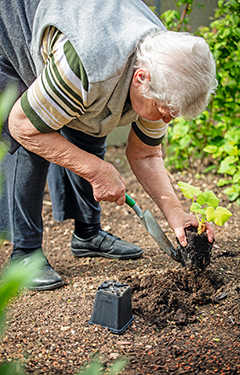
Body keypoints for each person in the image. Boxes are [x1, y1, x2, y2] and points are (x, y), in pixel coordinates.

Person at [0, 0, 217, 291]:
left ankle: (87, 235)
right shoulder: (87, 68)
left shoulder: (166, 67)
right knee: (34, 138)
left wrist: (176, 213)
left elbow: (146, 154)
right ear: (141, 79)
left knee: (93, 122)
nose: (167, 118)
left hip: (88, 48)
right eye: (164, 110)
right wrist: (95, 169)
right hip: (14, 26)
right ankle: (24, 253)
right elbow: (23, 126)